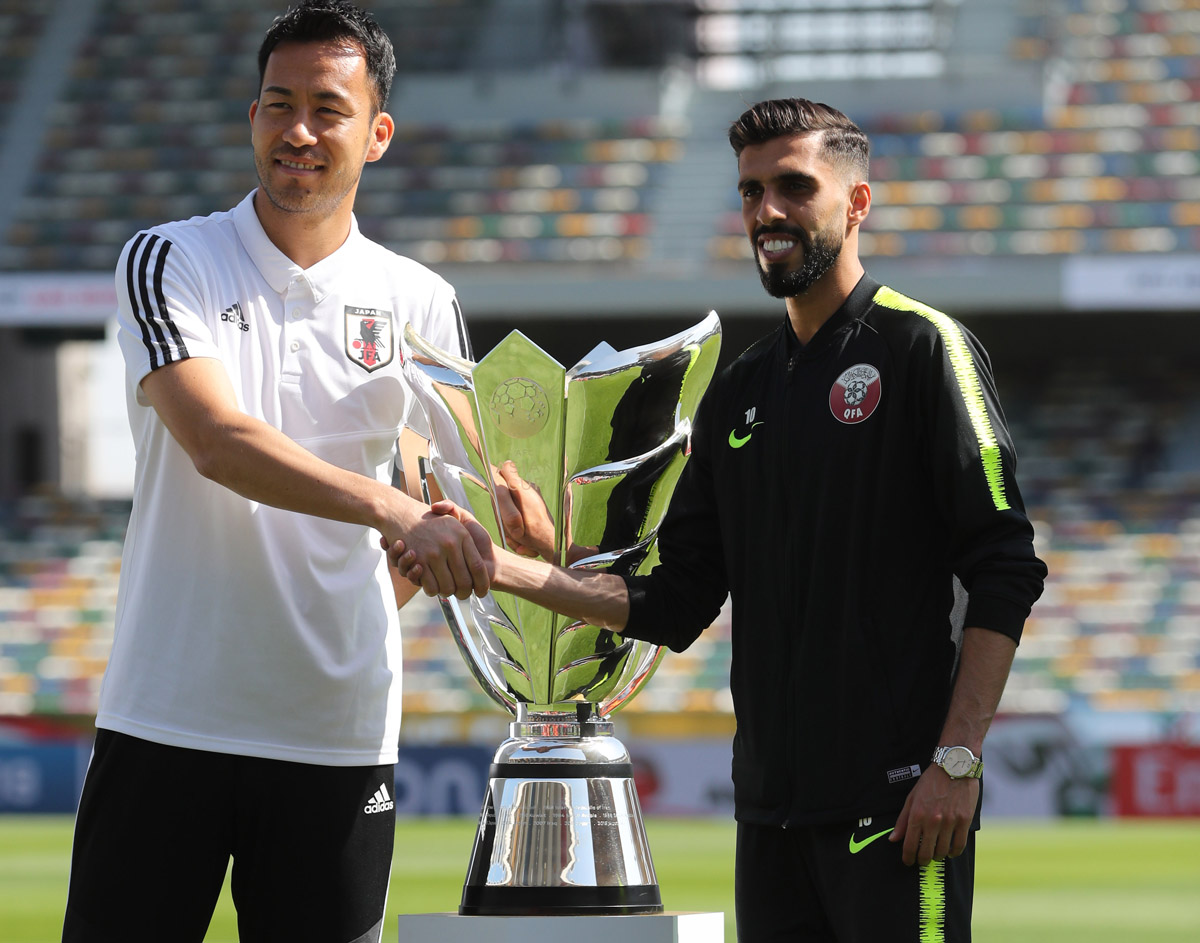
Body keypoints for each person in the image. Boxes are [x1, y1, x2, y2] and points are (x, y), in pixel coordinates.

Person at [392, 98, 1047, 942]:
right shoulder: (738, 388)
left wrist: (955, 761)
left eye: (792, 187)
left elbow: (1007, 564)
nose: (766, 212)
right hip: (770, 813)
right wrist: (524, 558)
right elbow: (676, 595)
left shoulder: (923, 349)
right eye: (749, 192)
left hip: (899, 802)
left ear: (856, 203)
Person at [61, 3, 490, 941]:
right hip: (168, 719)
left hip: (336, 734)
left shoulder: (422, 299)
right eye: (278, 103)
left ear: (377, 134)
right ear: (250, 117)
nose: (299, 130)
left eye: (328, 109)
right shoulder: (171, 258)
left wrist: (494, 525)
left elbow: (461, 502)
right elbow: (216, 441)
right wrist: (393, 508)